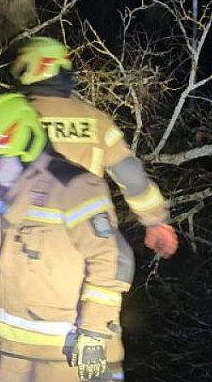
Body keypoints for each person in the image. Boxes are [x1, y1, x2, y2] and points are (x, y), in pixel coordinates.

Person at [0, 93, 134, 382]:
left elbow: (106, 263)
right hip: (11, 350)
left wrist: (94, 333)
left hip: (64, 352)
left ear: (26, 146)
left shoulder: (76, 188)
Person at [9, 36, 178, 258]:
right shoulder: (96, 121)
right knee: (118, 266)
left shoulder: (10, 117)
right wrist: (156, 221)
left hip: (22, 234)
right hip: (84, 234)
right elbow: (131, 176)